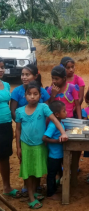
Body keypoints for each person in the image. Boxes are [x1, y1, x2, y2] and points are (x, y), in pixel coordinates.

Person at [15, 81, 68, 209]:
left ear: (40, 95)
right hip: (26, 146)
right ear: (25, 95)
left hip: (39, 146)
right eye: (29, 94)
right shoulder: (19, 111)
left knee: (36, 170)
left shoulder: (43, 107)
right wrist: (18, 147)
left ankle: (34, 191)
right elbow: (17, 130)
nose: (32, 96)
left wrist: (63, 133)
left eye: (35, 94)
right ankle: (31, 197)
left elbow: (55, 120)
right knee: (28, 171)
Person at [10, 64, 49, 197]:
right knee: (26, 161)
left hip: (39, 133)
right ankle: (27, 186)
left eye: (27, 74)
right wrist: (24, 122)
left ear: (35, 76)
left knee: (37, 160)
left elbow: (47, 110)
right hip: (25, 132)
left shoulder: (42, 91)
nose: (24, 77)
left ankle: (37, 186)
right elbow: (13, 110)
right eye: (22, 74)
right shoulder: (17, 91)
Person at [0, 58, 21, 198]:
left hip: (6, 124)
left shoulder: (6, 85)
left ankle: (7, 187)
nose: (1, 70)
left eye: (2, 67)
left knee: (5, 156)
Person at [43, 101, 67, 201]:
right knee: (52, 174)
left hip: (59, 154)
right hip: (54, 155)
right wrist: (57, 141)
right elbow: (45, 138)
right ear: (57, 114)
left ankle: (54, 188)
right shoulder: (53, 125)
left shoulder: (60, 122)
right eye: (64, 111)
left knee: (57, 171)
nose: (66, 112)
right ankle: (50, 193)